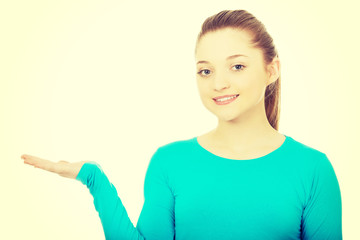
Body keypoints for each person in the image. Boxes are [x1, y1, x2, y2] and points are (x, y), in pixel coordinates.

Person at [21, 9, 342, 240]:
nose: (219, 83)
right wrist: (93, 178)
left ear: (272, 70)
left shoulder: (313, 169)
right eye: (206, 70)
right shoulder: (169, 162)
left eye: (237, 66)